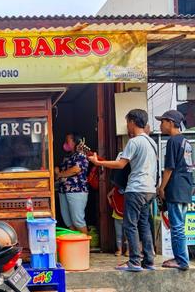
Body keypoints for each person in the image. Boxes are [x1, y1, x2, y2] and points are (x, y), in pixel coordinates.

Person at [89, 109, 157, 271]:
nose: (127, 126)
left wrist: (98, 163)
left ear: (133, 122)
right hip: (149, 189)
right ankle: (148, 261)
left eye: (127, 122)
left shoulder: (134, 142)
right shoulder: (151, 142)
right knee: (144, 225)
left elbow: (120, 164)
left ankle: (134, 261)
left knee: (130, 225)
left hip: (136, 189)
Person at [156, 110, 193, 271]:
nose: (160, 125)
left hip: (176, 188)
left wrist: (161, 187)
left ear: (171, 123)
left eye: (162, 122)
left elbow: (169, 168)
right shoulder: (187, 142)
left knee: (177, 226)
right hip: (185, 188)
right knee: (179, 225)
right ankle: (180, 257)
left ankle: (182, 260)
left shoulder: (173, 141)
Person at [56, 133, 89, 234]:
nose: (65, 143)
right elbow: (61, 170)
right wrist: (57, 171)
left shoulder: (81, 155)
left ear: (75, 142)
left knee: (78, 221)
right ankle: (76, 247)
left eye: (67, 141)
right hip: (64, 190)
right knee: (69, 222)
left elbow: (76, 169)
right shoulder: (69, 156)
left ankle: (85, 248)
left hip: (76, 190)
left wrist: (60, 174)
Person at [107, 185, 128, 256]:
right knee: (120, 234)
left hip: (126, 217)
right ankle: (120, 250)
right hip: (118, 216)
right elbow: (108, 195)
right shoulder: (115, 188)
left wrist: (111, 202)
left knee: (126, 235)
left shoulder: (127, 188)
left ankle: (127, 250)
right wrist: (111, 202)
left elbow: (108, 196)